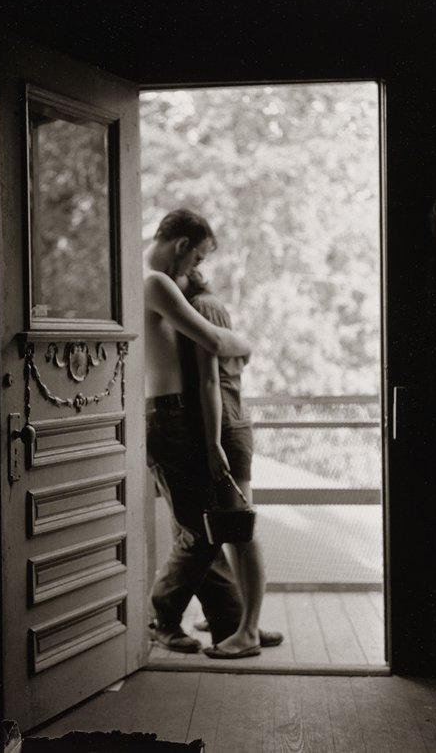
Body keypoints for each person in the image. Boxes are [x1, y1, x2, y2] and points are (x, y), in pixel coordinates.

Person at [144, 208, 283, 654]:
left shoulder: (164, 284)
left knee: (208, 524)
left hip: (179, 412)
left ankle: (230, 620)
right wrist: (248, 345)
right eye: (199, 257)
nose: (197, 268)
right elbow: (216, 342)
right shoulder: (154, 281)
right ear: (183, 245)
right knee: (199, 530)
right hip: (168, 413)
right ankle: (162, 617)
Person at [179, 267, 267, 658]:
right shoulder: (206, 305)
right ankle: (244, 619)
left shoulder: (203, 306)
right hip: (231, 425)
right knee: (231, 530)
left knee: (241, 530)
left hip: (228, 427)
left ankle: (248, 630)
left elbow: (211, 380)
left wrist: (213, 441)